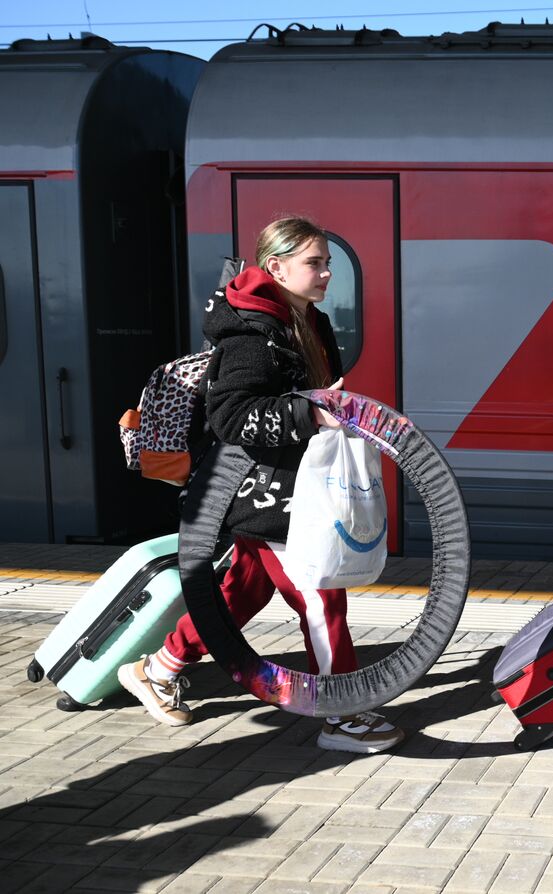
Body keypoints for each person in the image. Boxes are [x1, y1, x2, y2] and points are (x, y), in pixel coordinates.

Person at [119, 216, 405, 754]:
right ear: (276, 267)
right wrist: (311, 414)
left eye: (328, 263)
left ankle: (158, 669)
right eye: (314, 263)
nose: (326, 274)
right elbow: (232, 416)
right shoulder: (251, 335)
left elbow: (314, 396)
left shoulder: (308, 322)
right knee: (321, 597)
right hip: (263, 490)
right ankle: (341, 714)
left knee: (243, 590)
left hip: (293, 483)